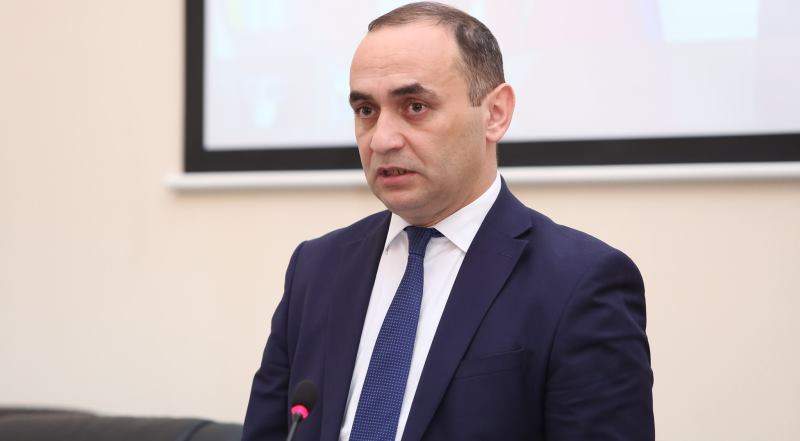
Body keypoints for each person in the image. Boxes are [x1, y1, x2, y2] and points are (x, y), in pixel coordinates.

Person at [242, 2, 654, 440]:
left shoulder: (579, 283)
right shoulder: (316, 268)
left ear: (495, 113)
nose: (381, 139)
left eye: (415, 106)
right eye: (366, 110)